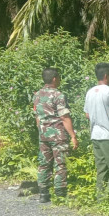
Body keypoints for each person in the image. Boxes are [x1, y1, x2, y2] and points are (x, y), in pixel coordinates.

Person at [33, 67, 78, 203]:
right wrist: (73, 136)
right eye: (58, 77)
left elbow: (37, 116)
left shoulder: (37, 95)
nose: (59, 80)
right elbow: (64, 117)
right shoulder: (58, 95)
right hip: (58, 135)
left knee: (44, 163)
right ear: (54, 79)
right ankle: (60, 194)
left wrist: (42, 130)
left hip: (43, 135)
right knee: (60, 164)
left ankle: (43, 193)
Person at [84, 62, 109, 200]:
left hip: (95, 135)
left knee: (101, 169)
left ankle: (101, 197)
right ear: (107, 75)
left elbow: (87, 115)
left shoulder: (89, 92)